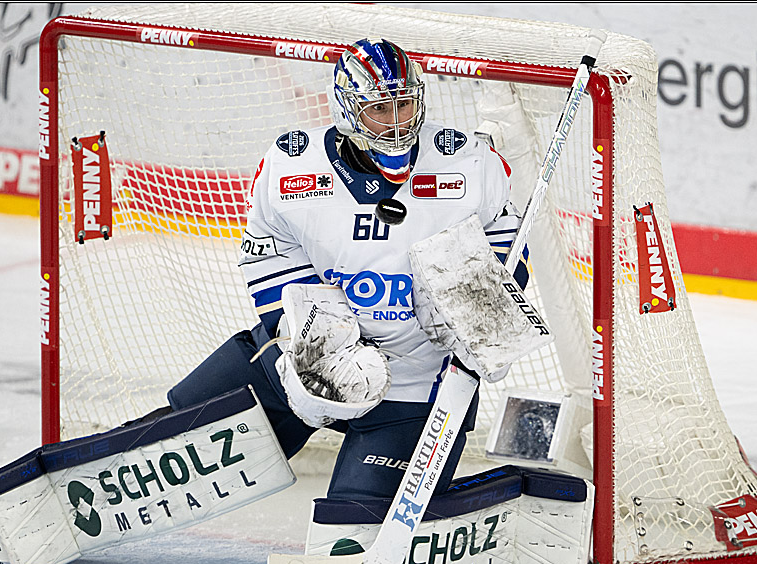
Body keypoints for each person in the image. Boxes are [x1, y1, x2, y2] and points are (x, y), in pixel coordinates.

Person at [165, 36, 529, 501]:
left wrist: (480, 319)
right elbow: (269, 247)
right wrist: (306, 338)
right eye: (380, 109)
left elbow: (507, 244)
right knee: (172, 438)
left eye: (404, 106)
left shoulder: (469, 164)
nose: (397, 125)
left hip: (416, 384)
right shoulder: (290, 168)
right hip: (308, 357)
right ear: (347, 111)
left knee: (355, 520)